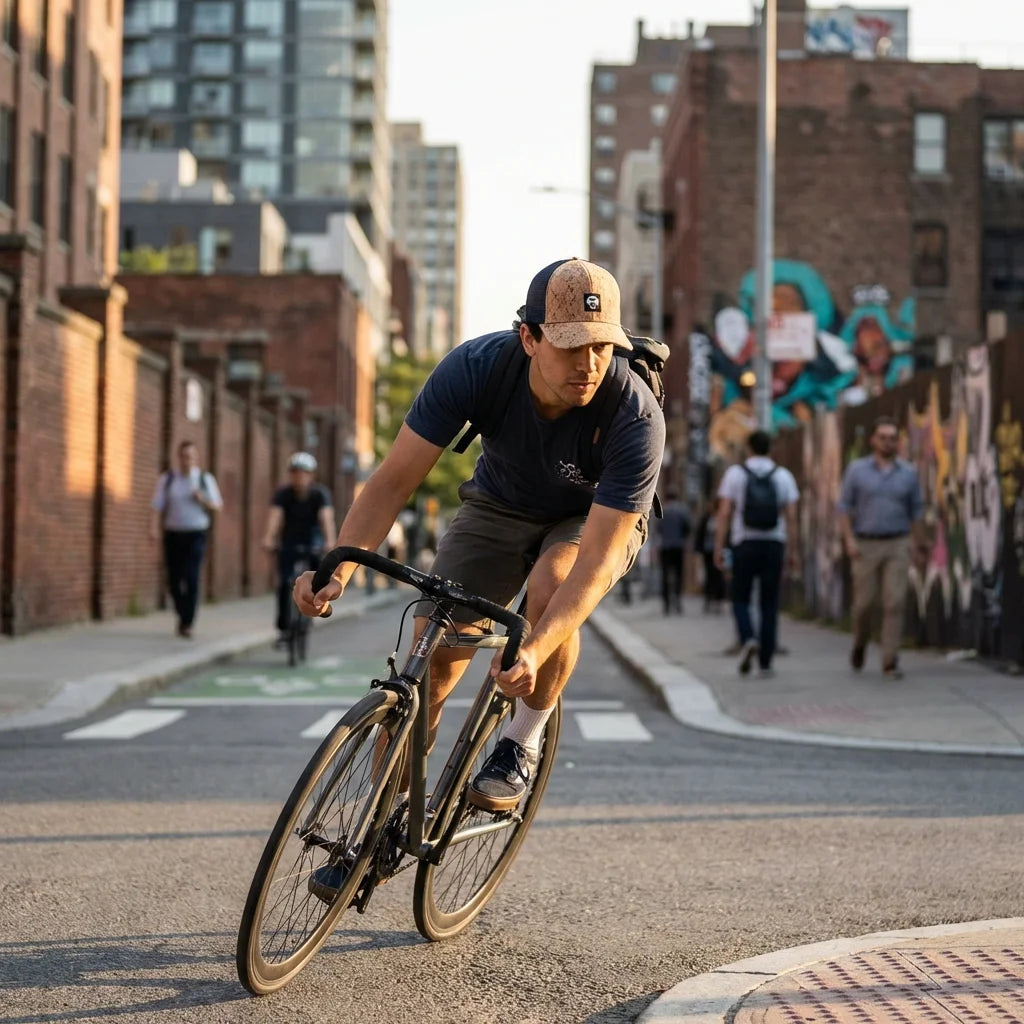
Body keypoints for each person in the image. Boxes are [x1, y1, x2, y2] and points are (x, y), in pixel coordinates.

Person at [294, 257, 665, 845]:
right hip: (498, 506)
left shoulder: (634, 412)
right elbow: (393, 481)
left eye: (601, 346)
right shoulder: (476, 368)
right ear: (529, 337)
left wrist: (537, 649)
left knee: (551, 588)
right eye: (570, 346)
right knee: (431, 655)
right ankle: (381, 816)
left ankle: (520, 741)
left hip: (587, 520)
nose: (589, 364)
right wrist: (338, 563)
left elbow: (596, 560)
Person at [837, 415, 927, 679]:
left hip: (897, 542)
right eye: (883, 438)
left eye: (892, 438)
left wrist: (919, 544)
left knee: (894, 602)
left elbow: (917, 511)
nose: (888, 443)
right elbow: (843, 508)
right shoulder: (857, 470)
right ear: (873, 440)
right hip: (866, 542)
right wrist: (849, 540)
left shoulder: (908, 474)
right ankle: (860, 642)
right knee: (864, 604)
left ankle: (890, 660)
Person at [714, 430, 799, 677]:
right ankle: (765, 661)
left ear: (749, 448)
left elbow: (724, 513)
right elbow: (791, 517)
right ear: (770, 448)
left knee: (739, 597)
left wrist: (719, 546)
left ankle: (748, 637)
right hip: (774, 543)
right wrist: (793, 551)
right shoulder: (783, 476)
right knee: (769, 603)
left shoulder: (735, 474)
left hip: (744, 543)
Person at [149, 440, 223, 638]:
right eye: (183, 456)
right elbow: (157, 506)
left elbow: (217, 506)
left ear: (196, 459)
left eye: (190, 457)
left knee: (190, 577)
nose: (186, 460)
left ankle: (188, 622)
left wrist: (203, 499)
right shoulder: (168, 479)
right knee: (173, 580)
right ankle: (182, 614)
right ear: (178, 457)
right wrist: (153, 528)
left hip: (196, 534)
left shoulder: (205, 479)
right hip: (173, 534)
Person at [261, 452, 336, 645]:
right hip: (289, 544)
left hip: (314, 544)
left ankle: (312, 609)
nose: (298, 476)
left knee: (317, 580)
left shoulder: (319, 494)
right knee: (285, 584)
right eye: (294, 472)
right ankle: (284, 629)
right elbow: (275, 517)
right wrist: (269, 538)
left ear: (311, 475)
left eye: (303, 472)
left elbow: (326, 519)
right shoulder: (283, 494)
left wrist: (330, 541)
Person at [655, 489, 691, 614]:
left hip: (665, 547)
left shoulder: (663, 510)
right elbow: (688, 527)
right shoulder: (682, 510)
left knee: (665, 575)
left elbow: (657, 529)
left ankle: (666, 605)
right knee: (679, 574)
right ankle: (678, 601)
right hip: (678, 546)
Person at [694, 499, 726, 613]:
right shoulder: (706, 519)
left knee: (719, 575)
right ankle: (708, 599)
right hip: (708, 551)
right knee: (709, 574)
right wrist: (698, 549)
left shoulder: (723, 518)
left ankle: (719, 600)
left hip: (720, 551)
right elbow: (700, 534)